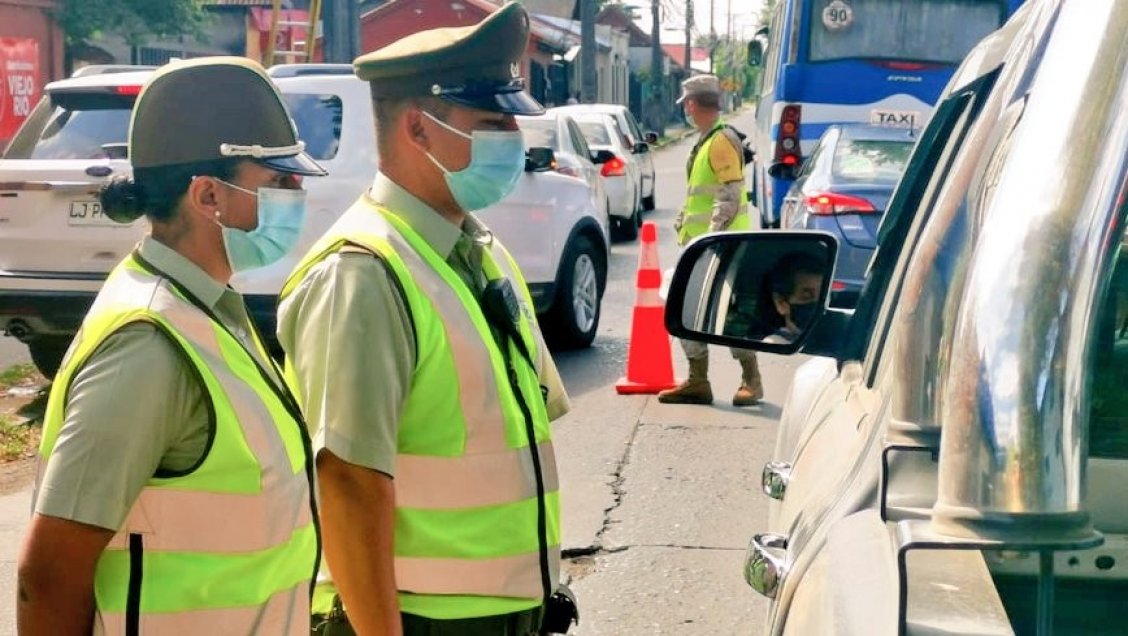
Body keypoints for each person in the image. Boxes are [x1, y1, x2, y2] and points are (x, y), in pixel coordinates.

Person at [277, 4, 574, 635]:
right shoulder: (363, 273)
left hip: (506, 609)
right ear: (417, 128)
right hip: (421, 620)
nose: (513, 141)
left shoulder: (477, 250)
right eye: (493, 123)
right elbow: (348, 486)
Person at [17, 57, 325, 634]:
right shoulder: (148, 346)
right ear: (208, 195)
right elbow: (51, 572)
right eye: (279, 181)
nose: (298, 194)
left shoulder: (206, 307)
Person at [659, 74, 761, 407]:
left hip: (720, 247)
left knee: (728, 314)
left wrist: (711, 241)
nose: (685, 111)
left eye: (686, 105)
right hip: (705, 245)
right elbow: (706, 196)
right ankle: (698, 380)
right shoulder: (707, 140)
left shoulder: (720, 140)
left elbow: (729, 196)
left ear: (691, 104)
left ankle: (749, 380)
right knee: (688, 309)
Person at [760, 252, 827, 345]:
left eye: (823, 296)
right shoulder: (774, 344)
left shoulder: (835, 338)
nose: (818, 304)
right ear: (780, 303)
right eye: (806, 296)